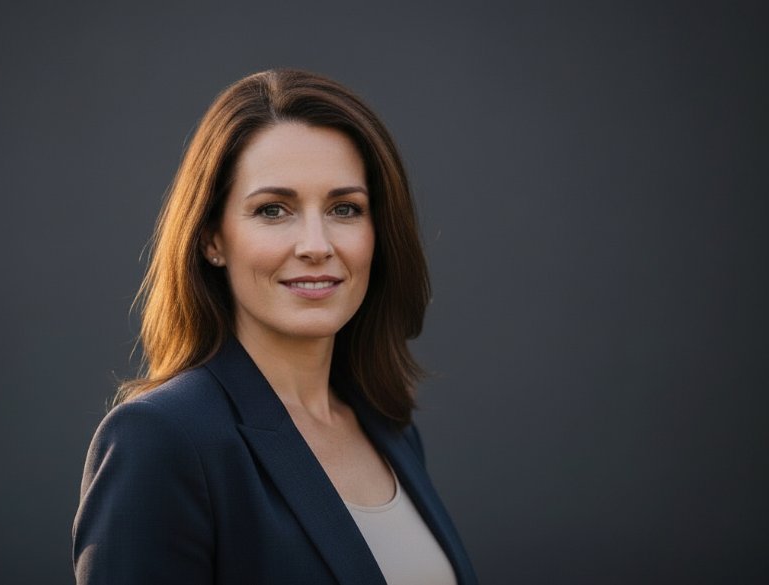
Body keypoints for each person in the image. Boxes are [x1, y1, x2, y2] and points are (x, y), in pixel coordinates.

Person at [72, 69, 478, 585]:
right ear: (212, 239)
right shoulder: (161, 440)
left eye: (344, 208)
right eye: (273, 210)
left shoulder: (388, 427)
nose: (315, 244)